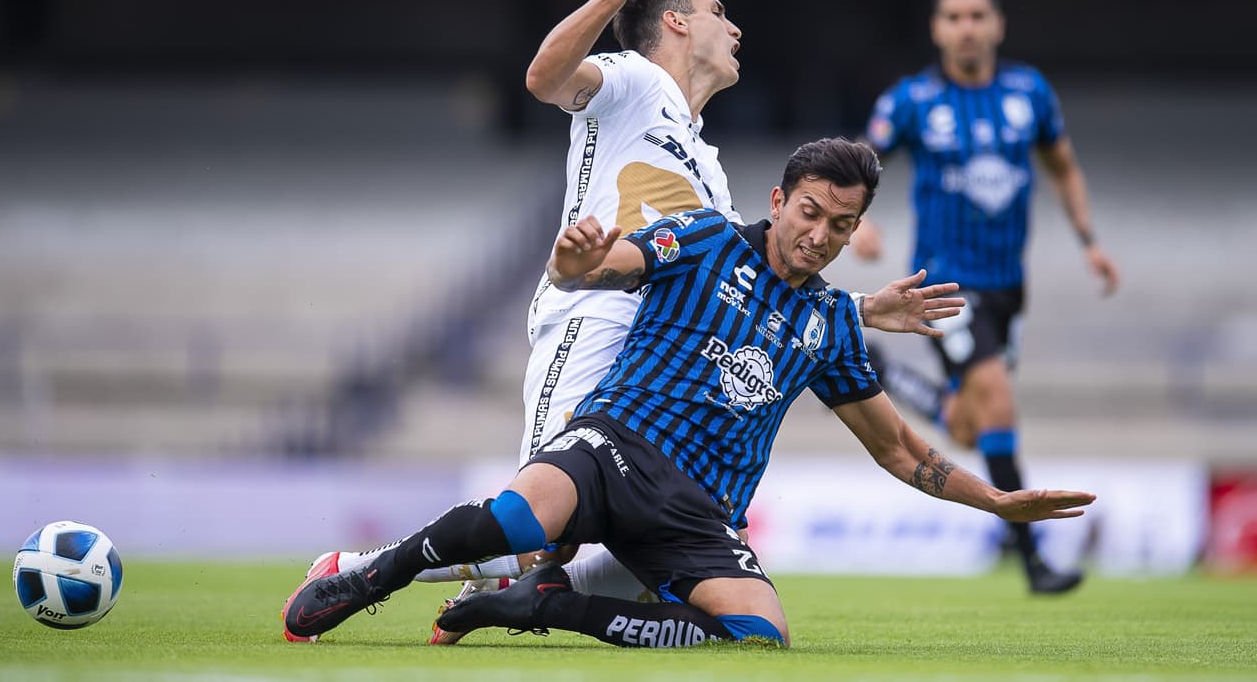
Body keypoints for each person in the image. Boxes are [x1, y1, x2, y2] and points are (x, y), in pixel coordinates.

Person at [290, 0, 976, 646]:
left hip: (653, 357)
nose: (736, 28)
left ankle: (534, 597)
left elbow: (752, 278)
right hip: (594, 314)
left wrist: (863, 307)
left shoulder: (709, 170)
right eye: (719, 13)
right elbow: (544, 78)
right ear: (676, 21)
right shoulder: (635, 79)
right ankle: (356, 568)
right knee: (531, 535)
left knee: (646, 551)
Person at [282, 137, 1095, 648]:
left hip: (696, 513)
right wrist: (573, 263)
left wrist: (994, 501)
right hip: (611, 447)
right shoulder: (705, 237)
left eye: (842, 225)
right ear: (779, 201)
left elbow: (897, 448)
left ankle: (541, 607)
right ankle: (372, 578)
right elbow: (612, 266)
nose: (820, 235)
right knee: (516, 516)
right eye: (810, 212)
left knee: (757, 634)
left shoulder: (833, 324)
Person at [852, 0, 1119, 594]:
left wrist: (1091, 242)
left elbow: (1063, 165)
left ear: (996, 25)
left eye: (977, 16)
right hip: (948, 285)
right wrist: (857, 221)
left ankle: (890, 376)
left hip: (1008, 286)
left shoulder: (1030, 93)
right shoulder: (912, 100)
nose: (966, 28)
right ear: (936, 30)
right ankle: (1030, 554)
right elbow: (861, 160)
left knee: (973, 423)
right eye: (954, 17)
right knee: (998, 400)